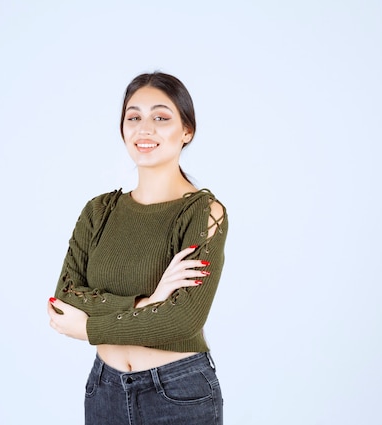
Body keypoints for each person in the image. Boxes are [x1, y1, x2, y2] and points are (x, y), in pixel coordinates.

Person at [47, 71, 228, 425]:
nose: (145, 129)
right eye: (134, 117)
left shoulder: (204, 212)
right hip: (104, 389)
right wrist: (149, 302)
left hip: (177, 393)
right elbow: (65, 299)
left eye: (161, 117)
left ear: (186, 131)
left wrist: (89, 329)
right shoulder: (99, 211)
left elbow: (182, 319)